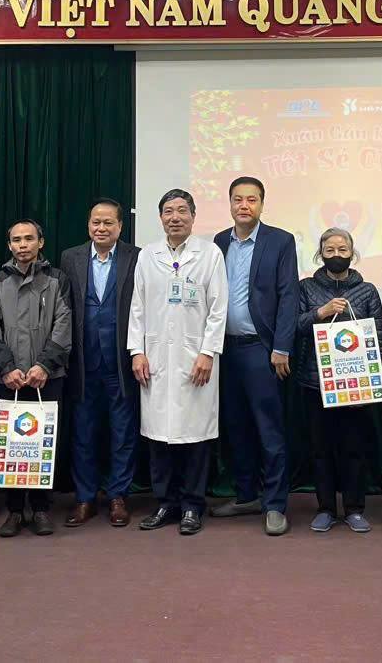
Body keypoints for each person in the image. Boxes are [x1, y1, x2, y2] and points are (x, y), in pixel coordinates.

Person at [129, 189, 228, 536]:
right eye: (168, 211)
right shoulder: (148, 255)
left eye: (182, 211)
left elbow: (218, 308)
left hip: (195, 359)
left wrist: (208, 352)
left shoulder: (210, 254)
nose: (175, 217)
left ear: (193, 216)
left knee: (195, 437)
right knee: (158, 436)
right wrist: (137, 351)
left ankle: (192, 506)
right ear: (160, 218)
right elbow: (137, 307)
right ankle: (165, 503)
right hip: (155, 359)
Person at [211, 176, 299, 536]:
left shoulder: (280, 241)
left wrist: (281, 347)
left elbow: (289, 296)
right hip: (224, 349)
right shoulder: (219, 242)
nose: (244, 205)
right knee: (235, 427)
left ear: (262, 204)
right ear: (230, 203)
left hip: (261, 349)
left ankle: (275, 504)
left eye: (251, 199)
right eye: (238, 199)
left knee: (269, 430)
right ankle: (246, 495)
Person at [0, 220, 72, 537]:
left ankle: (42, 509)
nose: (23, 245)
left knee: (43, 443)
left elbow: (63, 324)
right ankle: (15, 511)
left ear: (40, 242)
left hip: (47, 377)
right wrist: (6, 368)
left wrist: (44, 366)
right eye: (16, 240)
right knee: (11, 444)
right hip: (7, 379)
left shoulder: (57, 279)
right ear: (9, 245)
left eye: (29, 239)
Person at [295, 228, 382, 532]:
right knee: (320, 448)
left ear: (352, 252)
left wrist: (376, 377)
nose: (336, 255)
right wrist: (320, 312)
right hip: (316, 381)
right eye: (329, 250)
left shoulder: (367, 290)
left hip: (357, 384)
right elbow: (296, 325)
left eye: (342, 250)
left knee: (353, 447)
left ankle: (355, 509)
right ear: (320, 254)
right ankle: (325, 509)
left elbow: (380, 335)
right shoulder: (306, 288)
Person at [60, 199, 140, 528]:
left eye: (108, 222)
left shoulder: (136, 257)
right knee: (83, 433)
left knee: (123, 432)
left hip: (121, 362)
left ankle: (118, 496)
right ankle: (85, 497)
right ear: (88, 224)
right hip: (83, 361)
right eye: (96, 222)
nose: (101, 228)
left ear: (120, 226)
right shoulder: (71, 258)